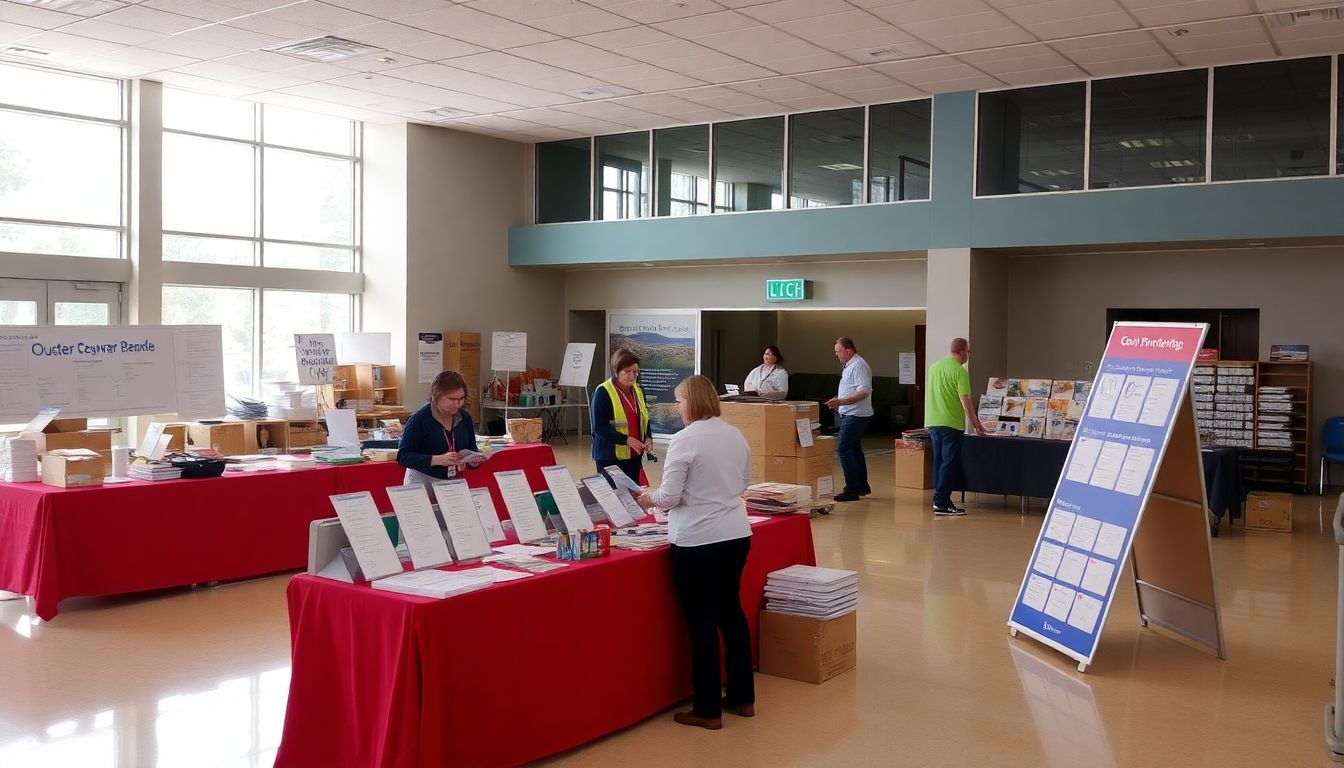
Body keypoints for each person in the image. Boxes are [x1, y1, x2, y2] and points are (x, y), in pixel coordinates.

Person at [636, 375, 753, 731]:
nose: (678, 407)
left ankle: (706, 709)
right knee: (731, 613)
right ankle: (741, 696)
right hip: (736, 533)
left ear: (693, 402)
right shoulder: (734, 434)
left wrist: (647, 497)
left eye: (681, 401)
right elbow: (744, 483)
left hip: (697, 540)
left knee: (700, 621)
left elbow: (669, 497)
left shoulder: (686, 439)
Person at [926, 337, 988, 516]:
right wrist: (976, 423)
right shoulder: (960, 371)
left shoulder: (934, 367)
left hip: (932, 422)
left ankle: (938, 499)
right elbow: (965, 400)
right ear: (962, 352)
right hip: (951, 423)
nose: (969, 355)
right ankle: (942, 503)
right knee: (949, 463)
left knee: (938, 462)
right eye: (968, 352)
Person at [397, 370, 484, 488]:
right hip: (421, 481)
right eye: (452, 399)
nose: (457, 404)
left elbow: (472, 449)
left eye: (461, 399)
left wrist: (473, 461)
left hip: (452, 481)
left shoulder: (464, 417)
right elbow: (403, 456)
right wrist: (436, 460)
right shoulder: (419, 419)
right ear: (436, 396)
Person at [590, 348, 652, 485]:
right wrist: (626, 440)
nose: (633, 375)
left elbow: (644, 418)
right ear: (616, 372)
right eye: (627, 372)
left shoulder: (639, 390)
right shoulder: (603, 392)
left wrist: (648, 437)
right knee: (614, 499)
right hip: (610, 457)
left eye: (635, 371)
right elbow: (600, 428)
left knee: (633, 498)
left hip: (634, 457)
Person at [825, 337, 873, 502]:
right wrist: (838, 400)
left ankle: (851, 489)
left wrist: (842, 401)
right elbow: (852, 389)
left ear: (849, 350)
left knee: (843, 450)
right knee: (853, 450)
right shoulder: (849, 365)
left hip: (856, 415)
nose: (837, 355)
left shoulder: (858, 365)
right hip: (851, 412)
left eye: (838, 351)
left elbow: (864, 391)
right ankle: (861, 486)